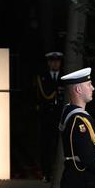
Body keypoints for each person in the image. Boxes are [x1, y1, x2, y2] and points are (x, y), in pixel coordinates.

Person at [35, 51, 64, 181]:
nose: (55, 63)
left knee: (59, 145)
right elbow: (41, 96)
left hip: (60, 116)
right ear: (48, 63)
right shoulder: (42, 77)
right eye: (52, 61)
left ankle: (58, 173)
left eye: (57, 61)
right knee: (46, 145)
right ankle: (46, 173)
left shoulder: (64, 77)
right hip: (46, 116)